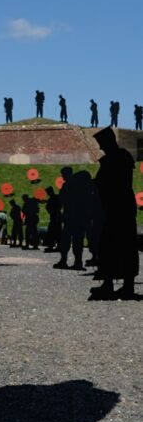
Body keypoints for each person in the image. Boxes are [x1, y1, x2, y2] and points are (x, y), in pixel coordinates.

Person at [90, 127, 138, 299]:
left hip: (117, 207)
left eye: (102, 144)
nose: (101, 148)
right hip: (121, 206)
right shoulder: (121, 158)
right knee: (119, 245)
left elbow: (110, 184)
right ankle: (120, 284)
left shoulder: (115, 160)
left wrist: (97, 182)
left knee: (114, 244)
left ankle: (116, 284)